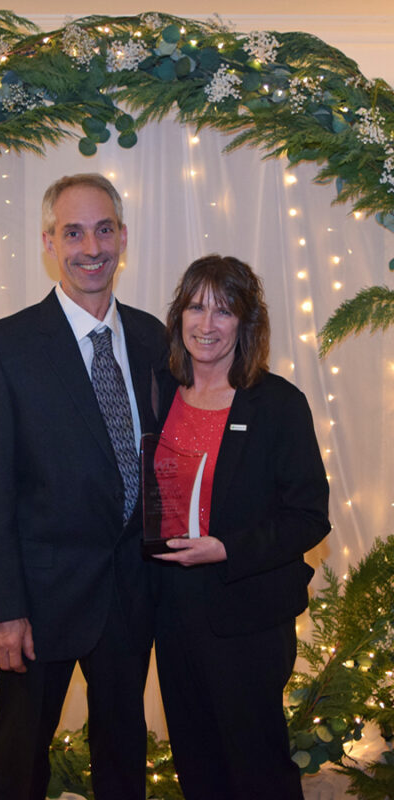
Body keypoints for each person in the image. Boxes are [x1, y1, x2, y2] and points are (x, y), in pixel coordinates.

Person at [0, 173, 167, 798]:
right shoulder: (2, 347)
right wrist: (1, 611)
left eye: (104, 230)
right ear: (50, 242)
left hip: (132, 594)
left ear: (123, 238)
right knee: (22, 762)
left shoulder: (157, 338)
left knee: (124, 754)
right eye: (73, 232)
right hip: (38, 603)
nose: (91, 247)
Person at [151, 255, 329, 799]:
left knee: (257, 768)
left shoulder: (278, 403)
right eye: (196, 306)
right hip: (171, 610)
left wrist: (226, 549)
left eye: (224, 311)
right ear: (179, 315)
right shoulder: (157, 392)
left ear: (246, 324)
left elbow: (308, 516)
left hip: (248, 613)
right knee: (196, 763)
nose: (207, 324)